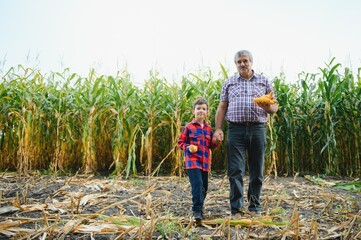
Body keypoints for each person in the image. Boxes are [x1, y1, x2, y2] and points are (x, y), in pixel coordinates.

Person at [212, 50, 278, 216]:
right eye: (239, 62)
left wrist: (266, 106)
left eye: (245, 61)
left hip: (257, 129)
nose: (242, 64)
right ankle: (236, 207)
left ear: (251, 62)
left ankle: (255, 205)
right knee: (235, 170)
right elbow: (222, 107)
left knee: (257, 169)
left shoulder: (264, 81)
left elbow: (274, 108)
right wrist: (218, 129)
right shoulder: (230, 82)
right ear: (236, 64)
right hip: (236, 129)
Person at [178, 98, 220, 222]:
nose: (201, 111)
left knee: (204, 187)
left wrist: (217, 142)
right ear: (193, 111)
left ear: (207, 112)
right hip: (193, 162)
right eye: (198, 108)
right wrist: (188, 147)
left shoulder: (208, 129)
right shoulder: (189, 127)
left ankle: (200, 207)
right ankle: (197, 210)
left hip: (205, 163)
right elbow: (181, 142)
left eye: (203, 109)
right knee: (197, 185)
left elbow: (211, 145)